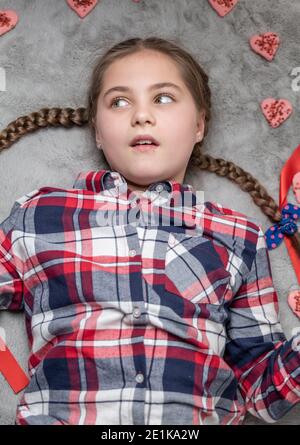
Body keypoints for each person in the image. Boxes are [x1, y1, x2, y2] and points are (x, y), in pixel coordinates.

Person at [0, 37, 299, 425]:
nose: (141, 115)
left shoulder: (239, 235)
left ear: (199, 124)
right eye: (119, 102)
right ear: (97, 132)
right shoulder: (40, 213)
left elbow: (262, 390)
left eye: (163, 98)